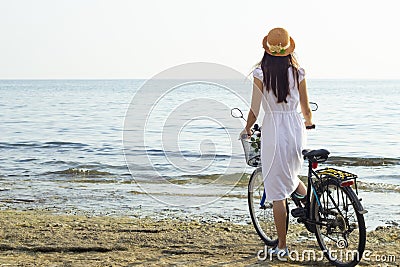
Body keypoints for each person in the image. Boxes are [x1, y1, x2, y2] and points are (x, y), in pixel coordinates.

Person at [242, 27, 314, 257]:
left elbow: (254, 110)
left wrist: (246, 129)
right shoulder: (298, 72)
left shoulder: (260, 73)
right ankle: (313, 209)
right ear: (288, 49)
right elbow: (305, 108)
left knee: (276, 193)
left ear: (267, 50)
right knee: (290, 176)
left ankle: (281, 246)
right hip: (295, 129)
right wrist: (309, 122)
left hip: (273, 130)